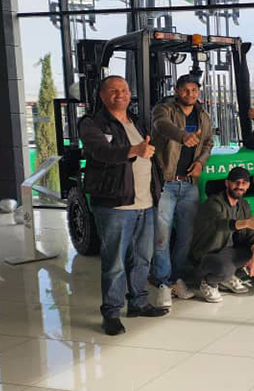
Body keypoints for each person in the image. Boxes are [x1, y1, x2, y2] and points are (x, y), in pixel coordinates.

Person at [79, 75, 167, 336]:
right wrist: (134, 151)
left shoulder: (136, 121)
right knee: (115, 262)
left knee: (142, 258)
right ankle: (111, 313)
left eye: (125, 90)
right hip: (115, 204)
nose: (121, 94)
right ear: (102, 95)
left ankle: (138, 303)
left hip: (145, 202)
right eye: (114, 90)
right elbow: (100, 152)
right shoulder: (92, 123)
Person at [148, 74, 213, 308]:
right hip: (165, 183)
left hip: (189, 185)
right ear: (177, 91)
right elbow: (161, 126)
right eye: (185, 90)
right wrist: (182, 136)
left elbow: (208, 143)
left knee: (186, 237)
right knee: (161, 236)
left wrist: (200, 163)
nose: (190, 94)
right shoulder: (164, 109)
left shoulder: (203, 115)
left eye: (194, 90)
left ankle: (175, 279)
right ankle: (163, 283)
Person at [189, 167, 254, 303]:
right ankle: (208, 282)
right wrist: (248, 223)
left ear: (248, 185)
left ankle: (228, 277)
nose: (240, 186)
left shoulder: (243, 205)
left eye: (244, 183)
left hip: (231, 253)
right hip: (210, 254)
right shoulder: (213, 203)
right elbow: (222, 224)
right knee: (225, 268)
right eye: (236, 182)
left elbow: (253, 235)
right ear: (227, 183)